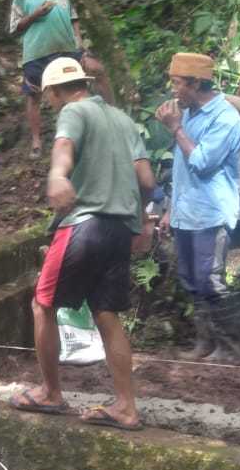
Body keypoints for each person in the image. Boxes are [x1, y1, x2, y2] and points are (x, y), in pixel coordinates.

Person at [12, 57, 154, 431]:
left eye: (50, 97)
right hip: (119, 230)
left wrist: (59, 175)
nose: (51, 104)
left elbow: (63, 147)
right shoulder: (123, 120)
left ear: (58, 91)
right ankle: (126, 406)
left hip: (84, 225)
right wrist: (144, 219)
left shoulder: (73, 111)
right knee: (107, 314)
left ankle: (50, 392)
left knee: (42, 304)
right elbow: (147, 179)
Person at [154, 52, 240, 362]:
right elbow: (181, 168)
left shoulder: (225, 118)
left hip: (210, 212)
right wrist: (170, 209)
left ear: (196, 83)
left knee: (210, 279)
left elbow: (203, 163)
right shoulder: (190, 112)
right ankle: (204, 343)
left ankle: (229, 350)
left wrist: (176, 129)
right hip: (186, 213)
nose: (173, 89)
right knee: (191, 279)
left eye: (177, 83)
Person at [10, 0, 113, 154]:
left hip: (67, 48)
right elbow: (15, 27)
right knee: (34, 95)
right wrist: (36, 14)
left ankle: (110, 117)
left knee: (83, 82)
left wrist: (79, 44)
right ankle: (37, 141)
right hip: (36, 51)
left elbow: (74, 18)